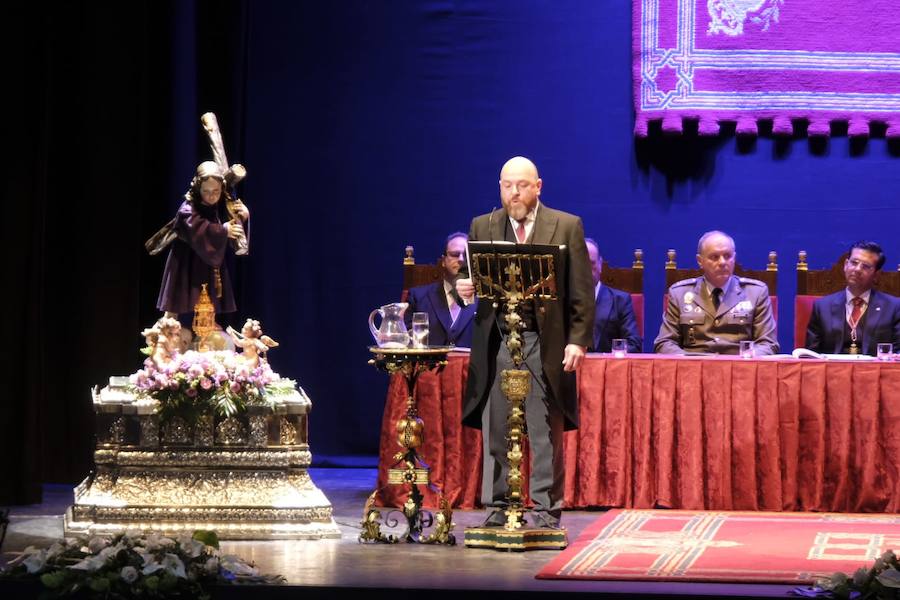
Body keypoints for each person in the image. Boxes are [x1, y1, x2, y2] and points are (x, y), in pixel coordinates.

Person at [456, 156, 594, 529]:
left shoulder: (566, 226)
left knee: (543, 429)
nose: (514, 192)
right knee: (497, 426)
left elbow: (582, 292)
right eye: (507, 185)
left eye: (521, 185)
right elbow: (469, 282)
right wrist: (463, 288)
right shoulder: (482, 225)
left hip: (543, 342)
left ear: (538, 186)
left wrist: (577, 341)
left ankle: (546, 510)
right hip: (498, 341)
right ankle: (498, 505)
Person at [654, 230, 778, 355]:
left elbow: (768, 344)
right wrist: (689, 362)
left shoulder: (755, 292)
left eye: (727, 256)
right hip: (694, 369)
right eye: (715, 257)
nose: (722, 262)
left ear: (734, 258)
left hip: (739, 369)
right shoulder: (680, 293)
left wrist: (745, 359)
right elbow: (664, 343)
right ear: (700, 261)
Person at [156, 161, 249, 317]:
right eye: (206, 191)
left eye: (216, 191)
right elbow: (195, 226)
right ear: (198, 188)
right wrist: (223, 229)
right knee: (176, 303)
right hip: (186, 259)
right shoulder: (188, 208)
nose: (212, 196)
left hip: (208, 260)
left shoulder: (220, 203)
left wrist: (243, 215)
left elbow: (232, 221)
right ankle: (167, 333)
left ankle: (205, 337)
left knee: (207, 304)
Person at [805, 241, 900, 355]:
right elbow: (811, 355)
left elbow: (897, 354)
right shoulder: (822, 307)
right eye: (854, 263)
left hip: (874, 371)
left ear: (876, 275)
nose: (857, 269)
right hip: (833, 371)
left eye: (865, 266)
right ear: (846, 265)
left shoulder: (893, 308)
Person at [404, 232, 477, 348]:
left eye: (466, 255)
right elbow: (405, 341)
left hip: (472, 365)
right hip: (429, 365)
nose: (461, 259)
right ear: (443, 261)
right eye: (455, 254)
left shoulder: (485, 299)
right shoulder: (418, 297)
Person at [585, 238, 642, 353]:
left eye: (591, 264)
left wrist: (610, 357)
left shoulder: (620, 301)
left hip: (609, 367)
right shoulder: (561, 300)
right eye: (580, 265)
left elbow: (634, 345)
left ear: (600, 265)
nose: (585, 270)